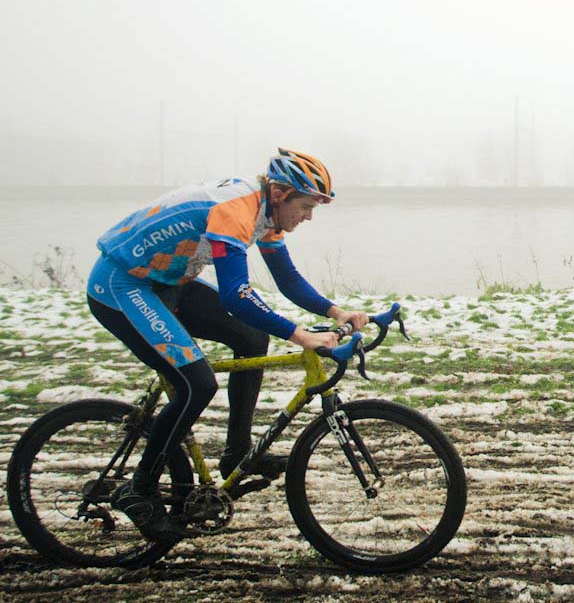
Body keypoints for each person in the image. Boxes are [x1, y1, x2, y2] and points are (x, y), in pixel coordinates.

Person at [86, 148, 369, 541]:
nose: (308, 216)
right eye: (306, 206)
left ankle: (237, 453)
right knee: (196, 385)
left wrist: (335, 311)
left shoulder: (266, 211)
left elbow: (285, 279)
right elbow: (235, 295)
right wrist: (302, 336)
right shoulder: (236, 209)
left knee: (251, 337)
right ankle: (139, 491)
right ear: (281, 193)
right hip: (123, 285)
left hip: (167, 283)